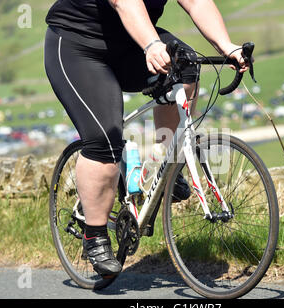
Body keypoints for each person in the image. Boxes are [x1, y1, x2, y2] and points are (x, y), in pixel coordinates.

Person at [44, 0, 249, 276]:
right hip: (78, 45)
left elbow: (198, 2)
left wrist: (227, 46)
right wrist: (152, 44)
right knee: (105, 139)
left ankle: (164, 167)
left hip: (129, 42)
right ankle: (94, 234)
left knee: (186, 67)